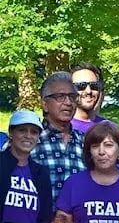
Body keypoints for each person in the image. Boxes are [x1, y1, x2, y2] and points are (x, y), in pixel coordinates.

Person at [32, 72, 86, 202]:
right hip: (37, 220)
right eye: (60, 97)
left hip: (78, 221)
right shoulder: (29, 140)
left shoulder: (86, 142)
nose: (68, 103)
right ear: (45, 104)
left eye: (72, 97)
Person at [70, 63, 108, 135]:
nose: (88, 91)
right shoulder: (61, 129)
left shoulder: (110, 129)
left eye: (94, 85)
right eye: (81, 86)